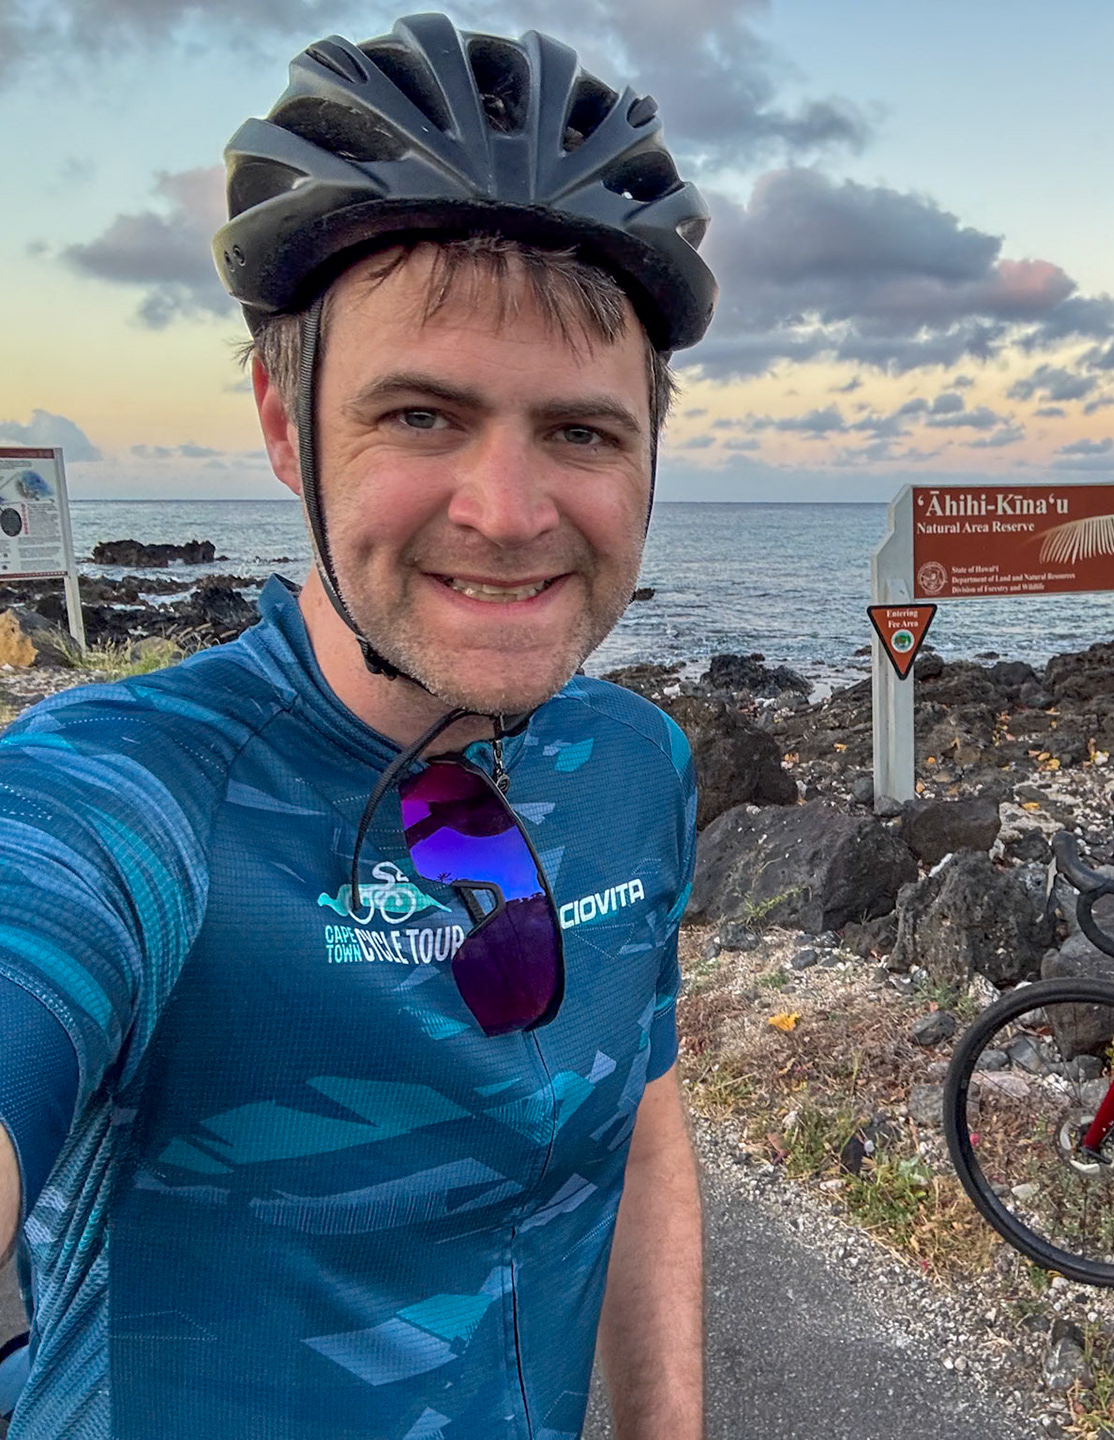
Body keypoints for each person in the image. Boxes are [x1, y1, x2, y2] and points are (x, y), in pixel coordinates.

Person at [0, 14, 715, 1437]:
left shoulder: (637, 765)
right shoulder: (123, 803)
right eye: (422, 416)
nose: (508, 516)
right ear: (286, 420)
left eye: (580, 432)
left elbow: (642, 1116)